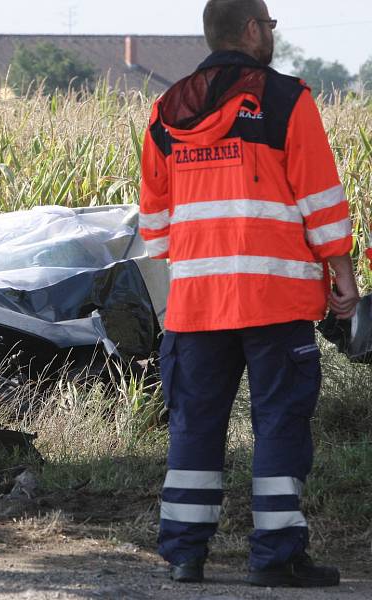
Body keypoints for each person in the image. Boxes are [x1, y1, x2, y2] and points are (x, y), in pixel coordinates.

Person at [138, 0, 360, 588]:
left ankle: (185, 555)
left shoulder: (166, 111)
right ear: (253, 30)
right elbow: (320, 202)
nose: (273, 36)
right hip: (274, 300)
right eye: (271, 26)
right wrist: (344, 278)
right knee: (281, 423)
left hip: (195, 305)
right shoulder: (287, 100)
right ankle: (276, 557)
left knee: (194, 426)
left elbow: (155, 228)